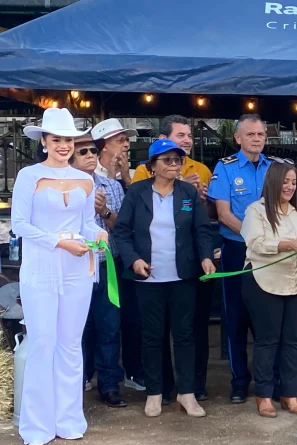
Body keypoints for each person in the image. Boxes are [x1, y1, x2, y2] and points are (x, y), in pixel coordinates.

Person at [12, 108, 108, 445]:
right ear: (44, 142)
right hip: (41, 267)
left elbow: (86, 224)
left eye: (68, 139)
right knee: (42, 343)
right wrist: (59, 242)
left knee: (70, 343)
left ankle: (68, 419)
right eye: (57, 139)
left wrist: (99, 234)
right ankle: (37, 426)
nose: (64, 145)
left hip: (77, 269)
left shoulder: (86, 179)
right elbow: (19, 224)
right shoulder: (29, 176)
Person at [114, 139, 215, 418]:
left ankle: (187, 394)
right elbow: (121, 232)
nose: (174, 165)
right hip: (148, 278)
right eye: (167, 160)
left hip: (183, 276)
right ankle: (155, 393)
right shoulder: (137, 192)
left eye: (177, 160)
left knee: (185, 335)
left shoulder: (188, 193)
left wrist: (206, 257)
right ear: (152, 166)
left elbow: (202, 229)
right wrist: (134, 259)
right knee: (152, 337)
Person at [240, 161, 297, 417]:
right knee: (267, 341)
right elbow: (255, 242)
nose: (290, 187)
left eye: (293, 182)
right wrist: (286, 245)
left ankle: (290, 394)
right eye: (285, 181)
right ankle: (264, 395)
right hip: (265, 282)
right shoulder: (256, 211)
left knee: (292, 341)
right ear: (273, 182)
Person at [207, 114, 272, 404]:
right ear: (238, 138)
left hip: (270, 252)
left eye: (260, 134)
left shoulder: (275, 168)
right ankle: (239, 381)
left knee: (266, 318)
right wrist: (254, 236)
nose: (256, 139)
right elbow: (223, 214)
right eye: (250, 134)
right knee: (235, 316)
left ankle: (268, 380)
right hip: (237, 249)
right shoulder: (225, 168)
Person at [71, 135, 128, 408]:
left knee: (109, 326)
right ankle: (77, 381)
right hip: (75, 266)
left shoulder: (112, 186)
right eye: (82, 152)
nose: (90, 155)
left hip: (106, 266)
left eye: (93, 150)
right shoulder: (64, 187)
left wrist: (104, 211)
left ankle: (109, 384)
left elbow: (122, 227)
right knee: (77, 327)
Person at [90, 118, 137, 189]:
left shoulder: (135, 174)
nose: (127, 144)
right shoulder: (90, 173)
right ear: (103, 146)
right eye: (120, 140)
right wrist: (111, 179)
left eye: (127, 140)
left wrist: (127, 179)